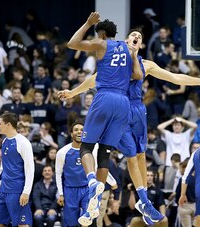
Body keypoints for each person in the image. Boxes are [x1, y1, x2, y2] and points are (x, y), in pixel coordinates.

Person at [59, 29, 200, 224]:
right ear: (126, 40)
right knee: (129, 155)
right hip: (120, 110)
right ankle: (100, 202)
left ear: (141, 44)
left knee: (139, 156)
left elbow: (175, 78)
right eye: (133, 34)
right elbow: (93, 79)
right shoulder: (115, 60)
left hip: (138, 111)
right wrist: (72, 92)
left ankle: (143, 202)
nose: (136, 37)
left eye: (139, 36)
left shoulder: (146, 65)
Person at [58, 12, 143, 223]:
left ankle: (91, 181)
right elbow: (138, 76)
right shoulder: (128, 49)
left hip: (104, 97)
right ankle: (94, 201)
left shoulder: (101, 44)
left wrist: (87, 23)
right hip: (124, 103)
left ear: (102, 34)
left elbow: (72, 43)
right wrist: (132, 56)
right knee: (104, 151)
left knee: (86, 147)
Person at [0, 112, 34, 227]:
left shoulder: (23, 143)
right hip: (3, 190)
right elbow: (3, 168)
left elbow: (30, 170)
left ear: (8, 125)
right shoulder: (5, 141)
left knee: (22, 225)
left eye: (0, 123)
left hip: (17, 190)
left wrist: (26, 192)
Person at [55, 121, 90, 226]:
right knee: (71, 223)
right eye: (76, 130)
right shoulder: (63, 152)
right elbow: (58, 174)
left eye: (81, 130)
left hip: (86, 189)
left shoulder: (91, 150)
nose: (79, 132)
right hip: (70, 190)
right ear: (71, 134)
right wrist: (60, 193)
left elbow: (97, 169)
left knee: (87, 221)